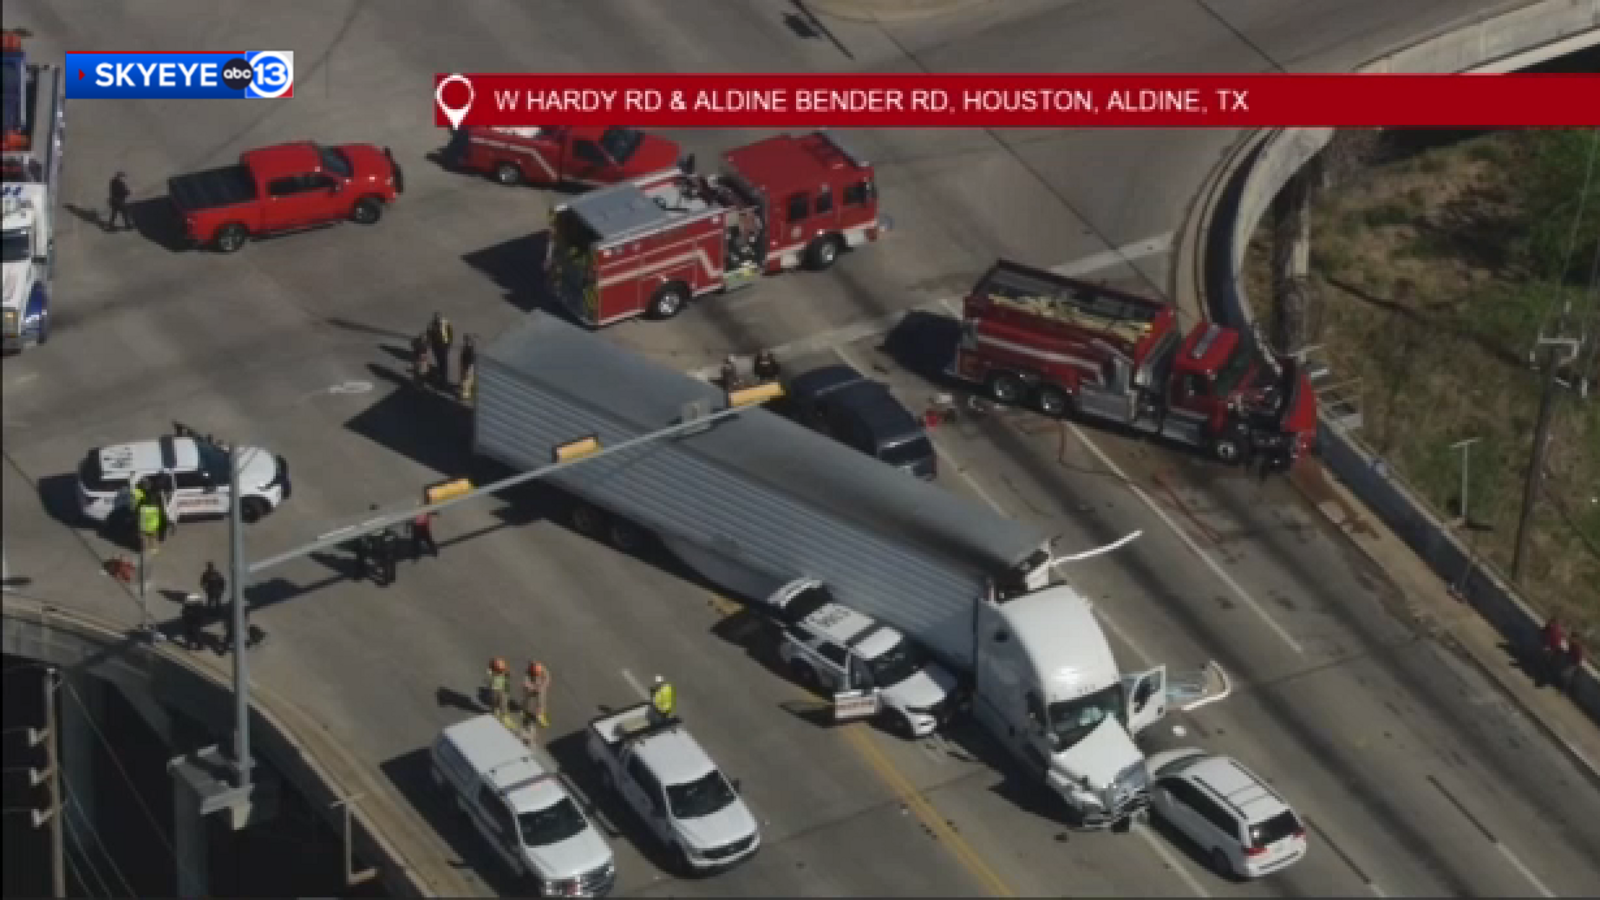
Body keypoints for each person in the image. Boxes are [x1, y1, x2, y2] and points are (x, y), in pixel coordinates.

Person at [522, 662, 551, 738]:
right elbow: (526, 682)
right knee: (527, 700)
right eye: (535, 673)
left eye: (537, 673)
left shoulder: (543, 671)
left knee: (541, 703)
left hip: (540, 689)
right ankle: (524, 710)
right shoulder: (528, 672)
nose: (536, 674)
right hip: (531, 689)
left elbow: (547, 679)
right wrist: (531, 688)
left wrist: (541, 687)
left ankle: (540, 716)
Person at [427, 312, 454, 390]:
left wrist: (449, 344)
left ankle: (444, 381)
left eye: (439, 319)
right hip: (436, 347)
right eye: (436, 319)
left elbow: (450, 333)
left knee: (444, 364)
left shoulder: (445, 323)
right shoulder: (431, 325)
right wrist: (430, 343)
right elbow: (429, 334)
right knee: (439, 362)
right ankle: (441, 378)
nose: (438, 320)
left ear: (441, 318)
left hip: (444, 346)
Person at [1539, 616, 1567, 687]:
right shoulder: (1558, 629)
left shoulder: (1554, 629)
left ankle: (1545, 677)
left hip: (1551, 649)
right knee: (1547, 663)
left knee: (1546, 663)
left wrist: (1548, 647)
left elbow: (1549, 637)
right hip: (1553, 649)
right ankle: (1545, 677)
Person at [484, 658, 511, 723]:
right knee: (494, 701)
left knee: (503, 702)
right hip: (494, 689)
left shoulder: (504, 672)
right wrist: (491, 665)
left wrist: (507, 690)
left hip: (503, 689)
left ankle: (504, 715)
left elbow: (508, 678)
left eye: (501, 670)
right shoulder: (491, 672)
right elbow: (488, 673)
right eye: (499, 670)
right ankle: (495, 711)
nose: (500, 672)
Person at [458, 335, 478, 404]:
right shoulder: (469, 348)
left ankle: (466, 395)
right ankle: (469, 393)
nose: (465, 342)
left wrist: (465, 367)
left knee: (466, 380)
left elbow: (468, 359)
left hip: (467, 367)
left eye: (466, 340)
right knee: (467, 380)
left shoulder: (469, 350)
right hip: (468, 366)